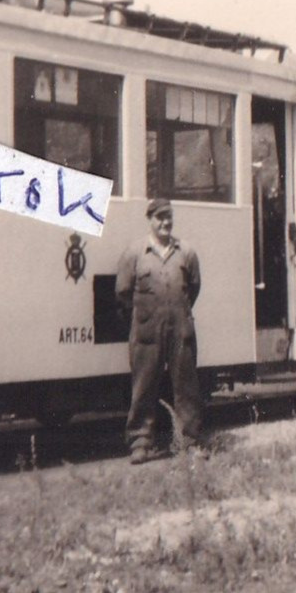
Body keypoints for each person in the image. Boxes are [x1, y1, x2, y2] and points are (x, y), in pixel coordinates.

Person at [115, 198, 206, 463]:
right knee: (143, 386)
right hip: (146, 331)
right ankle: (140, 442)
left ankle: (190, 441)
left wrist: (179, 312)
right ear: (150, 220)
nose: (166, 222)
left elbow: (194, 287)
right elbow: (122, 292)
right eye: (160, 218)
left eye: (169, 217)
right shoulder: (134, 253)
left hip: (180, 328)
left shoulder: (185, 252)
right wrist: (144, 317)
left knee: (186, 387)